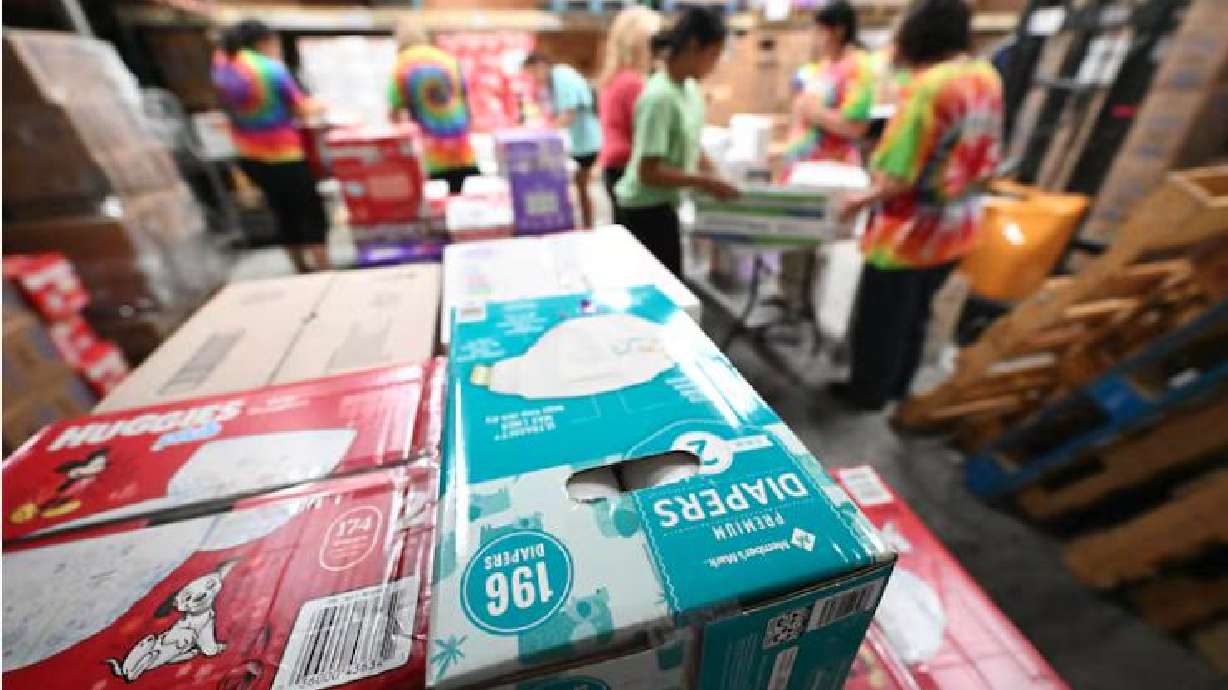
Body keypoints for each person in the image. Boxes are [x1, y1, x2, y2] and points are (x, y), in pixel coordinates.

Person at [832, 0, 1003, 412]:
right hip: (958, 224)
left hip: (909, 235)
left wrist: (857, 201)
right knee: (916, 316)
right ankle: (897, 387)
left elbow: (897, 176)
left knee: (880, 321)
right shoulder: (986, 75)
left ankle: (866, 393)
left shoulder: (928, 88)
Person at [615, 7, 738, 277]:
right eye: (713, 56)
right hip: (643, 210)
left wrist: (713, 172)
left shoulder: (691, 89)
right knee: (662, 289)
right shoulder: (659, 97)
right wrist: (705, 182)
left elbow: (693, 140)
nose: (715, 66)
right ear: (694, 47)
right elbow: (647, 172)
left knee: (672, 281)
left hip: (666, 204)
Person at [212, 19, 331, 273]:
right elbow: (300, 107)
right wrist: (320, 104)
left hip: (249, 155)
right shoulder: (269, 69)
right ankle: (324, 268)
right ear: (264, 41)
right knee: (309, 211)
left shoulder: (224, 65)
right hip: (284, 153)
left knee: (281, 211)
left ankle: (300, 267)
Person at [781, 0, 874, 174]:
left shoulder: (858, 68)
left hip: (831, 169)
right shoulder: (822, 67)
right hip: (804, 166)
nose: (815, 37)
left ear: (838, 31)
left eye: (820, 30)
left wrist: (814, 112)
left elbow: (856, 128)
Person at [389, 23, 481, 195]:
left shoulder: (400, 65)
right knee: (460, 196)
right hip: (458, 139)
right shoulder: (447, 59)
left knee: (436, 201)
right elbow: (465, 97)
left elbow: (395, 110)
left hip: (429, 146)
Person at [596, 7, 663, 225]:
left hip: (614, 165)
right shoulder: (633, 83)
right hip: (627, 167)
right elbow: (646, 131)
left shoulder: (614, 78)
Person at [522, 52, 603, 229]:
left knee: (582, 187)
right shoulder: (552, 81)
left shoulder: (561, 76)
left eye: (533, 73)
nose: (535, 78)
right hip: (578, 142)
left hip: (586, 142)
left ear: (541, 65)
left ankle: (589, 227)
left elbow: (568, 113)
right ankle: (584, 225)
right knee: (579, 187)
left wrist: (545, 134)